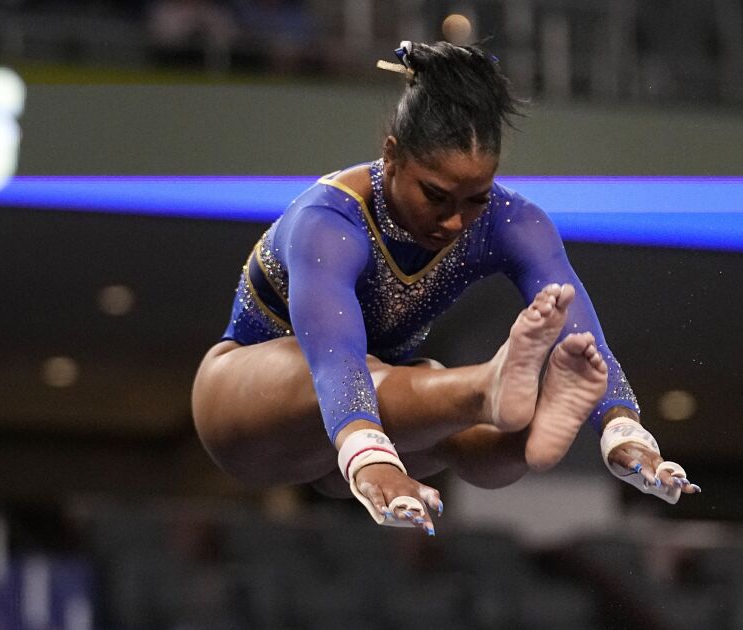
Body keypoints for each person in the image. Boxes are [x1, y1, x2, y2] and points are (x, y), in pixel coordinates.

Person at [191, 41, 699, 535]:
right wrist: (370, 457)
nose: (455, 221)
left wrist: (624, 429)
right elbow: (335, 358)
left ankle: (525, 426)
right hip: (246, 408)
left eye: (475, 198)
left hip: (359, 428)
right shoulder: (329, 221)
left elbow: (586, 342)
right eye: (435, 194)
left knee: (464, 430)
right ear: (391, 156)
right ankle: (483, 387)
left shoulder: (512, 220)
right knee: (406, 377)